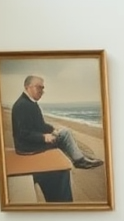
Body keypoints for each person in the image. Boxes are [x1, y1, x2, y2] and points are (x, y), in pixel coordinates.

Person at [10, 74, 103, 204]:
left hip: (32, 143)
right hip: (28, 147)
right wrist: (43, 137)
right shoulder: (22, 106)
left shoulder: (30, 103)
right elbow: (22, 133)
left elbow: (40, 125)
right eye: (39, 88)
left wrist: (52, 130)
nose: (42, 91)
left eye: (43, 88)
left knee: (63, 132)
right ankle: (80, 160)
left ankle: (81, 158)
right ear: (27, 87)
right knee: (65, 134)